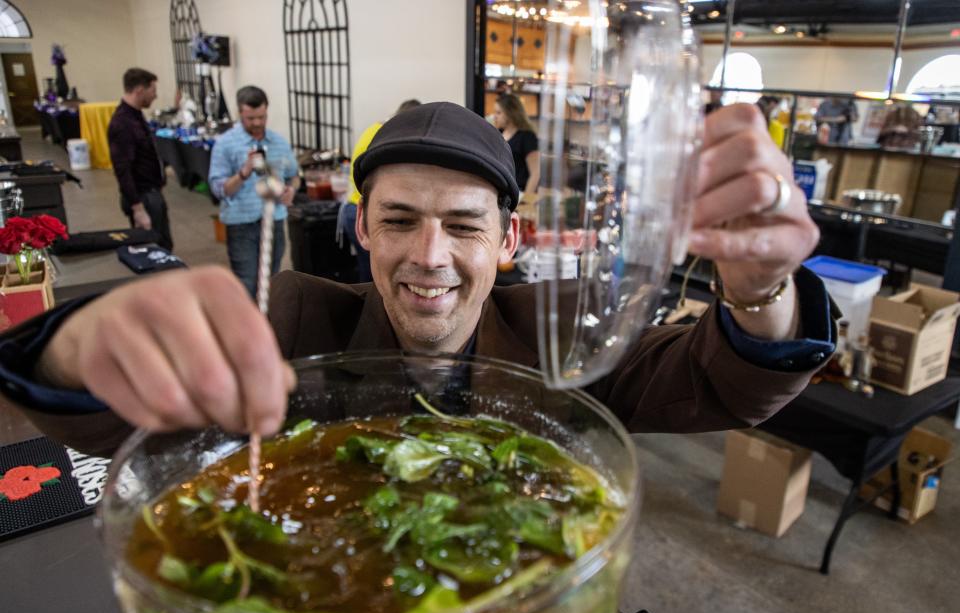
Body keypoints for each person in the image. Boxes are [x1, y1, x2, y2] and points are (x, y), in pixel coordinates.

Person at [0, 101, 832, 458]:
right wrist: (81, 346)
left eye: (464, 226)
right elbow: (108, 423)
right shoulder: (291, 319)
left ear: (508, 239)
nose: (429, 255)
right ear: (360, 228)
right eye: (398, 220)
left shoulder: (561, 332)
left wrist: (760, 286)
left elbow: (718, 385)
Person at [208, 86, 300, 297]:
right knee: (246, 284)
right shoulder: (225, 144)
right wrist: (243, 172)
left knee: (271, 282)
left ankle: (267, 327)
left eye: (262, 117)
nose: (257, 123)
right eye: (251, 118)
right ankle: (247, 329)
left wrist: (291, 191)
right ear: (240, 113)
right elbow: (218, 190)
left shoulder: (279, 142)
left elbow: (294, 176)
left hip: (274, 221)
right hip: (241, 223)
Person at [339, 99, 421, 281]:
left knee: (369, 273)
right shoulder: (388, 136)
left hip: (355, 207)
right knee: (376, 278)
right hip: (362, 210)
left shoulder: (377, 129)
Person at [107, 68, 173, 250]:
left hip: (151, 193)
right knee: (154, 248)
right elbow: (122, 169)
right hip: (143, 197)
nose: (156, 95)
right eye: (153, 90)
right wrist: (138, 209)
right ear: (139, 90)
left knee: (163, 243)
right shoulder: (122, 123)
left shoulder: (135, 116)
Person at [492, 93, 540, 199]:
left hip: (520, 194)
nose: (494, 116)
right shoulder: (498, 134)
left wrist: (526, 200)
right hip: (502, 194)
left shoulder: (527, 137)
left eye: (499, 113)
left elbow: (536, 173)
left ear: (510, 113)